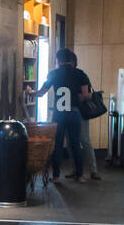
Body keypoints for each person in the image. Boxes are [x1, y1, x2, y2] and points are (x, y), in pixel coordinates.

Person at [32, 48, 93, 182]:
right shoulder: (81, 74)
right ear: (72, 60)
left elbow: (41, 93)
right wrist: (78, 99)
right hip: (74, 113)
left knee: (57, 145)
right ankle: (80, 175)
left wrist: (31, 92)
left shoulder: (53, 74)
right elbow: (85, 96)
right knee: (76, 144)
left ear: (58, 60)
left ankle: (56, 176)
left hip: (59, 114)